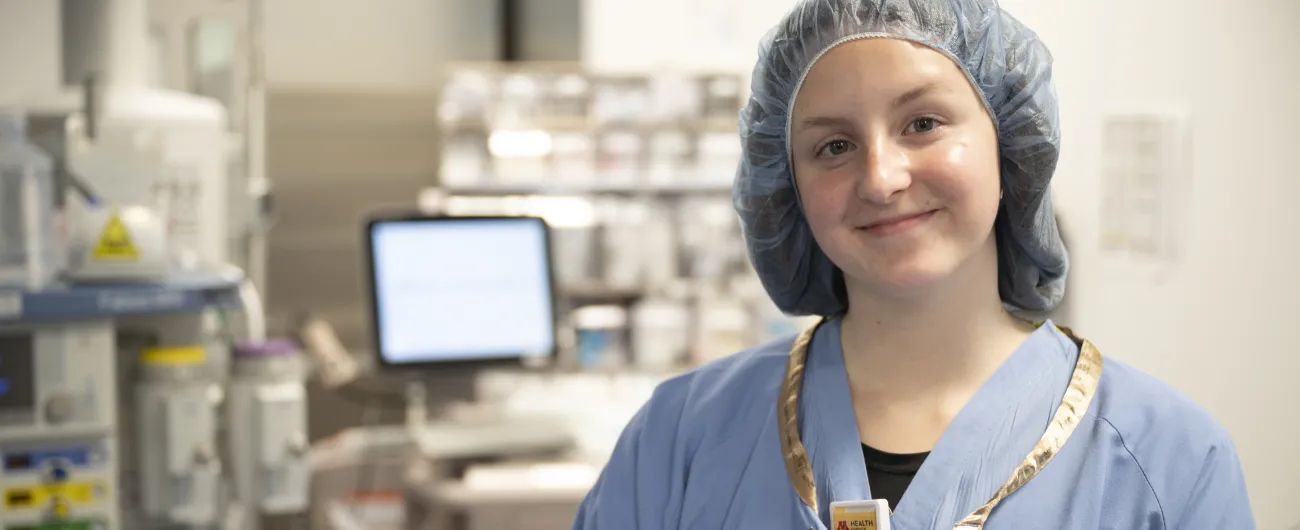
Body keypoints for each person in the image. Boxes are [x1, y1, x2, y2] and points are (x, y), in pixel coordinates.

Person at [572, 0, 1255, 528]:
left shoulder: (1165, 462)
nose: (881, 176)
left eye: (922, 123)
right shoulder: (681, 440)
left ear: (1010, 141)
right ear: (787, 186)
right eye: (833, 146)